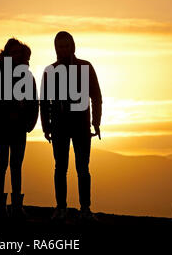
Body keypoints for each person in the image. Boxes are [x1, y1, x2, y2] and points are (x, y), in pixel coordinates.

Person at [40, 31, 102, 221]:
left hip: (81, 125)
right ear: (56, 48)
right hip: (59, 125)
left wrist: (96, 122)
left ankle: (85, 209)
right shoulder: (50, 71)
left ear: (72, 46)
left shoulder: (86, 67)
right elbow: (44, 102)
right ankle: (61, 208)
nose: (63, 49)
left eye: (66, 46)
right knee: (60, 168)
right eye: (60, 46)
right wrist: (46, 126)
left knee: (83, 168)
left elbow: (96, 96)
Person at [0, 38, 39, 218]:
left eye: (18, 52)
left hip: (19, 127)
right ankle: (0, 206)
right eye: (13, 52)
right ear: (6, 54)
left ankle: (16, 206)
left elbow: (34, 102)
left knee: (16, 166)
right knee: (2, 164)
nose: (16, 55)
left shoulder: (27, 76)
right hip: (0, 126)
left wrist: (30, 123)